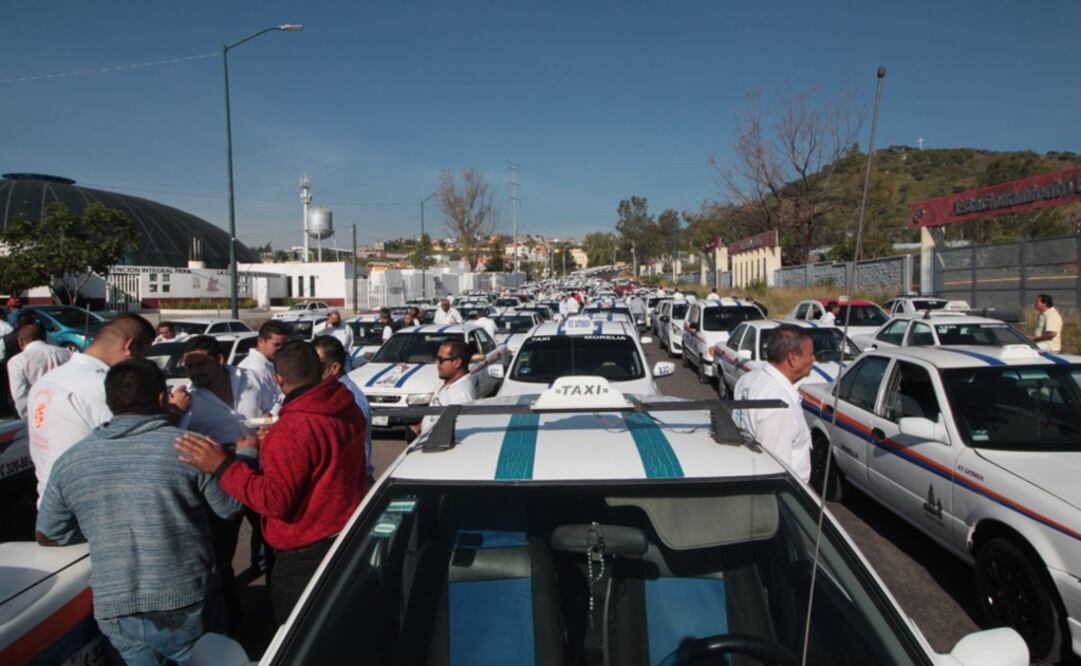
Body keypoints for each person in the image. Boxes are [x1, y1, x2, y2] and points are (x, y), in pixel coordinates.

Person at [36, 359, 242, 665]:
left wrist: (102, 527)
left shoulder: (71, 461)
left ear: (110, 402)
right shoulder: (191, 448)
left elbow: (48, 533)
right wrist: (238, 460)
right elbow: (229, 509)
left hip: (116, 607)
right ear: (161, 398)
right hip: (186, 597)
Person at [175, 341, 366, 623]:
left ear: (277, 379)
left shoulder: (294, 426)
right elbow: (319, 461)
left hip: (307, 551)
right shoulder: (344, 405)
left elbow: (274, 501)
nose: (196, 371)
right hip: (346, 535)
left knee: (301, 633)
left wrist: (222, 466)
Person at [28, 313, 179, 502]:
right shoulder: (104, 387)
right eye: (143, 355)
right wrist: (174, 412)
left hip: (52, 503)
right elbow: (141, 449)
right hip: (93, 506)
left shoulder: (47, 379)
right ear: (131, 347)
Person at [732, 324, 814, 482]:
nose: (813, 359)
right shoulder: (779, 406)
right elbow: (774, 472)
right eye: (810, 354)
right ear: (793, 357)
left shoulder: (748, 379)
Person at [313, 336, 374, 486]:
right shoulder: (326, 393)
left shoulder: (350, 400)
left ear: (334, 368)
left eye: (316, 365)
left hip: (350, 484)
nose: (309, 369)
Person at [412, 340, 476, 436]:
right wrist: (421, 426)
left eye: (441, 360)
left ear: (457, 362)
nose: (437, 364)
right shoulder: (447, 384)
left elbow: (458, 431)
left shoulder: (461, 394)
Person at [9, 323, 72, 418]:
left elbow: (20, 395)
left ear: (20, 341)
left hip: (39, 414)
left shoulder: (17, 361)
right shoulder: (67, 353)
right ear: (45, 337)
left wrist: (28, 419)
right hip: (67, 410)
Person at [238, 319, 290, 404]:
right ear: (260, 341)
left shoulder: (271, 363)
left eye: (285, 345)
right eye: (276, 345)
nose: (282, 349)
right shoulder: (253, 369)